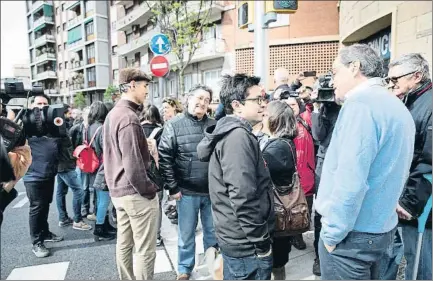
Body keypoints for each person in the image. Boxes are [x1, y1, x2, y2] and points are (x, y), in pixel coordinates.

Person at [315, 44, 416, 280]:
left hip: (352, 236)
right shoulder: (395, 105)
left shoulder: (361, 105)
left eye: (335, 71)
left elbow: (350, 180)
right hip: (379, 230)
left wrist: (331, 234)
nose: (332, 82)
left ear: (355, 68)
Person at [197, 74, 274, 280]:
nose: (264, 104)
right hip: (245, 242)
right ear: (237, 105)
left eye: (264, 99)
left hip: (237, 236)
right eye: (257, 100)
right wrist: (261, 242)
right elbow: (243, 196)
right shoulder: (237, 137)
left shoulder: (233, 132)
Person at [103, 68, 158, 280]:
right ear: (132, 84)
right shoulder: (128, 117)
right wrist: (149, 189)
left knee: (124, 244)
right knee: (145, 249)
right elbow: (134, 164)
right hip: (135, 192)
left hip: (118, 191)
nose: (147, 92)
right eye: (145, 86)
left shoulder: (113, 114)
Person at [159, 85, 218, 280]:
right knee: (186, 234)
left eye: (206, 100)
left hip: (211, 191)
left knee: (213, 233)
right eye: (199, 98)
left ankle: (215, 267)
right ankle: (184, 269)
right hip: (185, 191)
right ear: (188, 98)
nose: (202, 103)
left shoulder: (214, 124)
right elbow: (165, 157)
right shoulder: (174, 124)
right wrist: (173, 187)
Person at [387, 53, 432, 280]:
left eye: (396, 79)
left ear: (416, 76)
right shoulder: (410, 101)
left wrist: (409, 201)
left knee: (420, 263)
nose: (392, 85)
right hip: (407, 197)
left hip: (420, 205)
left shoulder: (428, 104)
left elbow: (429, 160)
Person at [261, 100, 298, 280]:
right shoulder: (283, 143)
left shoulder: (277, 148)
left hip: (277, 213)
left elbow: (259, 174)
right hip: (281, 211)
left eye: (266, 115)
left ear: (275, 120)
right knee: (278, 260)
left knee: (275, 261)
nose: (262, 117)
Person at [22, 95, 64, 258]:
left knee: (45, 204)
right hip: (33, 175)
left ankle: (45, 232)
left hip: (49, 173)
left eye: (45, 104)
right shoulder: (25, 124)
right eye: (38, 104)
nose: (42, 107)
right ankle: (36, 242)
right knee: (36, 207)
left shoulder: (52, 124)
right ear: (32, 106)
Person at [309, 89, 341, 276]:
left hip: (344, 161)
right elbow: (318, 135)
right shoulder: (323, 109)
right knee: (321, 211)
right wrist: (316, 107)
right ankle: (319, 257)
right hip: (325, 163)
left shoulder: (351, 106)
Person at [281, 95, 315, 250]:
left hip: (307, 173)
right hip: (290, 174)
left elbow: (310, 110)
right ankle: (294, 235)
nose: (290, 107)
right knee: (291, 207)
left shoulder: (304, 119)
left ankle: (300, 231)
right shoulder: (281, 124)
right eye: (287, 105)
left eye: (293, 104)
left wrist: (309, 100)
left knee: (305, 207)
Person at [55, 104, 91, 230]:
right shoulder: (60, 127)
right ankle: (77, 220)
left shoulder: (59, 126)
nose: (71, 116)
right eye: (68, 114)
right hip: (65, 164)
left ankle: (63, 218)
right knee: (78, 190)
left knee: (61, 191)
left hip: (61, 164)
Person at [86, 101, 116, 241]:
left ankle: (104, 224)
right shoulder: (102, 128)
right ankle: (99, 228)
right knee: (104, 200)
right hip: (102, 169)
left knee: (99, 199)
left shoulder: (88, 127)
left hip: (92, 167)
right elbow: (108, 150)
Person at [140, 104, 164, 246]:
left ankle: (143, 235)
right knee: (157, 205)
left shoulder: (136, 129)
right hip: (156, 173)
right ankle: (157, 235)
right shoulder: (161, 131)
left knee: (141, 204)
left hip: (139, 172)